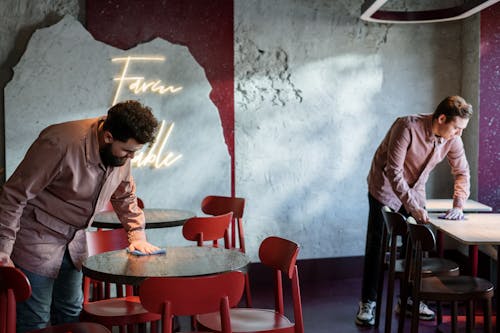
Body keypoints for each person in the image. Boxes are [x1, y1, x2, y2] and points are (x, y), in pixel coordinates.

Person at [0, 100, 161, 332]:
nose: (131, 158)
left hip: (74, 242)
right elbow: (14, 195)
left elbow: (125, 196)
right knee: (35, 321)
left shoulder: (120, 155)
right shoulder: (58, 143)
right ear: (108, 137)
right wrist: (3, 250)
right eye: (128, 151)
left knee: (71, 313)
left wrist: (137, 235)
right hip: (34, 240)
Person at [355, 95, 472, 326]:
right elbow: (394, 172)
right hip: (385, 187)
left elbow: (462, 172)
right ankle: (368, 302)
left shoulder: (453, 139)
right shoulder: (406, 126)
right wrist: (413, 208)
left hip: (415, 189)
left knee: (415, 245)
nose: (459, 134)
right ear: (441, 118)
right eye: (457, 128)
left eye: (462, 129)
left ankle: (408, 300)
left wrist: (458, 205)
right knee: (378, 245)